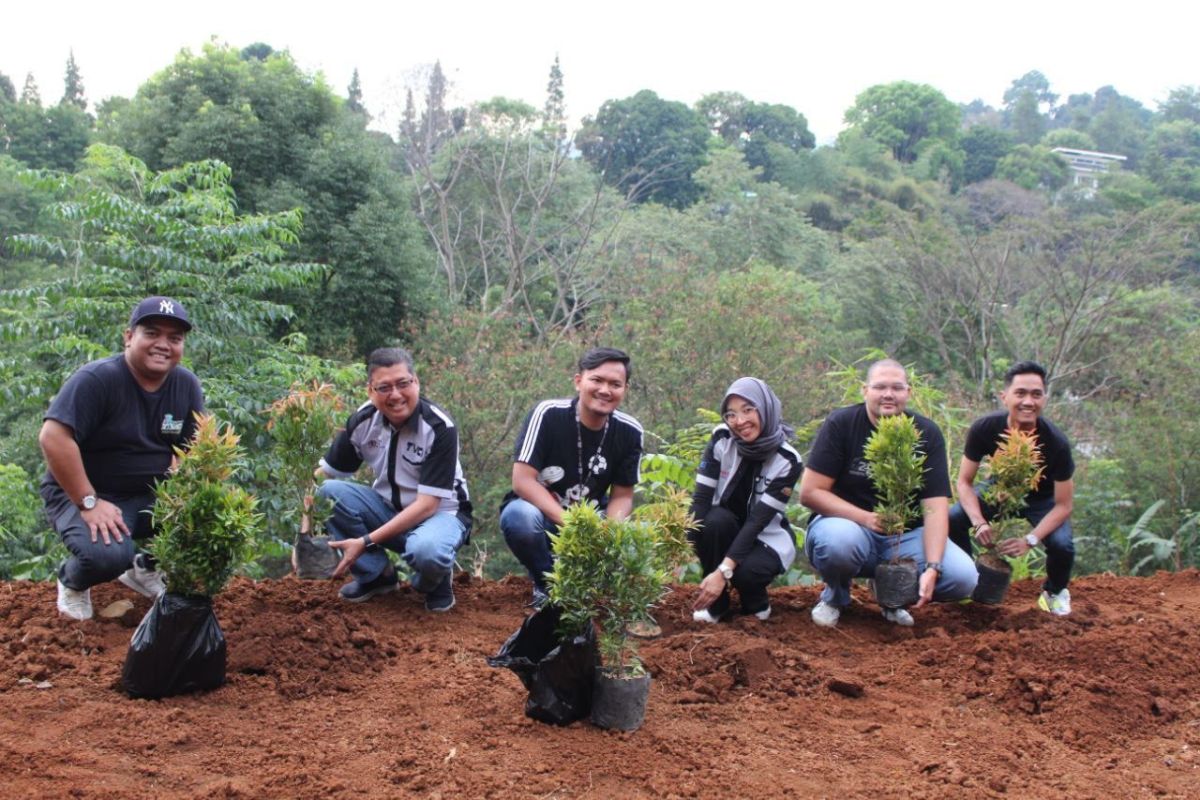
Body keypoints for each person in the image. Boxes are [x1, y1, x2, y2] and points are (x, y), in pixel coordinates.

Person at [40, 296, 205, 620]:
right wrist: (88, 502)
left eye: (174, 338)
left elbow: (194, 447)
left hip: (149, 494)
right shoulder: (98, 379)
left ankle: (145, 569)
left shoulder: (186, 385)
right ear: (129, 336)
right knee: (107, 556)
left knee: (208, 520)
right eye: (152, 333)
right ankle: (72, 582)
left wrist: (187, 483)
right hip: (87, 493)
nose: (163, 345)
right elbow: (53, 438)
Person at [799, 359, 977, 628]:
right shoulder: (842, 424)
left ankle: (893, 597)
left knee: (963, 578)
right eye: (880, 386)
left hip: (905, 537)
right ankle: (835, 596)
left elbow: (936, 507)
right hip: (850, 527)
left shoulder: (926, 434)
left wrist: (933, 566)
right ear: (865, 390)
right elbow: (810, 493)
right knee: (837, 544)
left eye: (897, 387)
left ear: (909, 392)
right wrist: (866, 518)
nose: (888, 394)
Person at [317, 348, 472, 612]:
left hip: (440, 516)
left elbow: (427, 505)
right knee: (327, 492)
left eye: (403, 384)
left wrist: (365, 542)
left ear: (416, 382)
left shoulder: (438, 427)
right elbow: (324, 475)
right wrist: (304, 529)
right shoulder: (363, 420)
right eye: (384, 387)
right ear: (370, 390)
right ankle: (377, 577)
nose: (396, 395)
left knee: (427, 550)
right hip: (387, 510)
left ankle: (434, 581)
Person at [500, 347, 643, 605]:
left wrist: (608, 534)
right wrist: (572, 524)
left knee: (633, 538)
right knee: (519, 518)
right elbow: (522, 481)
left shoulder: (630, 431)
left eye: (615, 384)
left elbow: (622, 496)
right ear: (579, 381)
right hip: (541, 513)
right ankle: (547, 585)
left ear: (625, 389)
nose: (605, 390)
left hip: (591, 515)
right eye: (596, 380)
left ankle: (604, 597)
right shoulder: (548, 414)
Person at [949, 361, 1075, 615]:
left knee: (1063, 545)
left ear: (1045, 399)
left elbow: (1064, 505)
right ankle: (966, 580)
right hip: (1000, 488)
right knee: (953, 518)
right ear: (1004, 397)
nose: (1028, 401)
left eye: (1036, 394)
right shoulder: (985, 428)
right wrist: (979, 522)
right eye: (1020, 393)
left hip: (1043, 497)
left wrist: (1030, 540)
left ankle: (1054, 593)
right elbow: (964, 482)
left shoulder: (1056, 442)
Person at [690, 378, 803, 623]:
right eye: (730, 414)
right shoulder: (722, 439)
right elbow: (701, 499)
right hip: (726, 528)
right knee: (712, 522)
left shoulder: (787, 460)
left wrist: (724, 571)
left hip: (765, 537)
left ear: (765, 409)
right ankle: (716, 606)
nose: (739, 421)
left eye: (748, 410)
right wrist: (683, 544)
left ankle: (756, 604)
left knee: (746, 574)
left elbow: (756, 523)